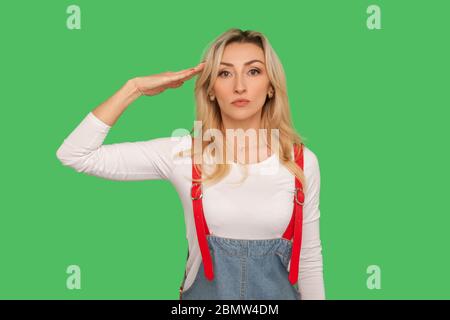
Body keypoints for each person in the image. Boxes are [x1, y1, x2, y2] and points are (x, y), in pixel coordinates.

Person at [56, 28, 325, 300]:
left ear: (270, 86)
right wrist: (133, 88)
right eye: (225, 73)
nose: (240, 86)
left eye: (253, 71)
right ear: (210, 89)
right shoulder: (184, 154)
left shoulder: (300, 162)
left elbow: (309, 261)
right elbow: (76, 154)